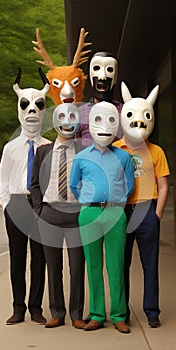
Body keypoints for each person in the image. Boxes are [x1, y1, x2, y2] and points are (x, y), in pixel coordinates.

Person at [70, 101, 134, 333]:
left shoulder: (124, 157)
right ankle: (97, 314)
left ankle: (119, 315)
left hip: (115, 213)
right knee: (93, 266)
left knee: (117, 266)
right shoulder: (81, 157)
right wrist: (89, 204)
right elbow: (74, 185)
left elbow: (129, 185)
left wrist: (115, 204)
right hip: (89, 213)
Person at [113, 82, 170, 328]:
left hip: (147, 210)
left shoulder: (156, 151)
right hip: (123, 212)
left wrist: (156, 214)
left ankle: (152, 311)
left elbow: (164, 184)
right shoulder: (115, 149)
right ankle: (121, 312)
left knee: (150, 265)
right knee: (121, 264)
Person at [0, 68, 50, 325]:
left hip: (40, 205)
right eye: (26, 105)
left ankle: (36, 307)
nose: (31, 111)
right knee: (17, 257)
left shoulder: (49, 146)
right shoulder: (10, 148)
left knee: (39, 258)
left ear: (43, 109)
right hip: (17, 203)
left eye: (38, 105)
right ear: (19, 107)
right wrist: (8, 205)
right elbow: (2, 181)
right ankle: (18, 307)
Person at [31, 103, 86, 329]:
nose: (66, 122)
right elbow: (34, 184)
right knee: (53, 266)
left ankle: (76, 314)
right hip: (50, 214)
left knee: (77, 266)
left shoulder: (83, 151)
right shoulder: (43, 151)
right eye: (62, 118)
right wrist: (39, 211)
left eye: (71, 117)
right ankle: (57, 312)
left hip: (76, 215)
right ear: (55, 122)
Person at [75, 51, 123, 146]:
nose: (103, 77)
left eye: (109, 69)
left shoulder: (124, 111)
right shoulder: (80, 113)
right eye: (97, 68)